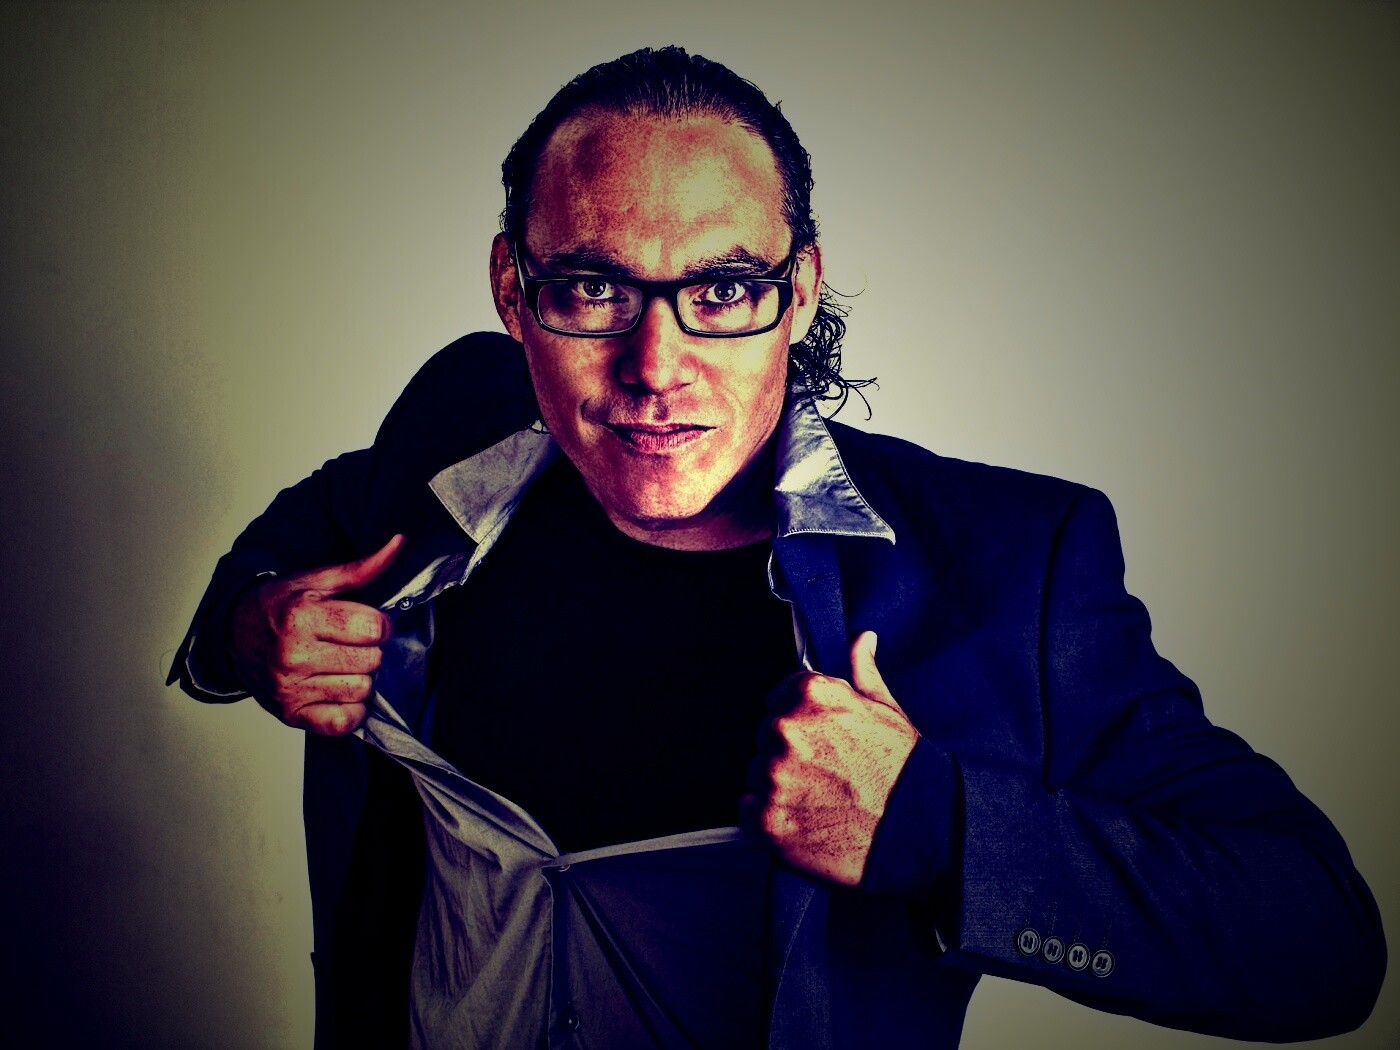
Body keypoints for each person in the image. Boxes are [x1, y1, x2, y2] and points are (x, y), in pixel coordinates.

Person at [170, 46, 1385, 1049]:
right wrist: (250, 629)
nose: (655, 368)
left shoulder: (1001, 570)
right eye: (590, 289)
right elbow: (274, 565)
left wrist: (933, 826)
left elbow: (1316, 946)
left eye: (720, 289)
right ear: (512, 289)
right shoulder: (451, 425)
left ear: (797, 291)